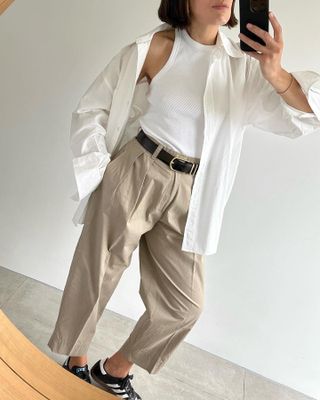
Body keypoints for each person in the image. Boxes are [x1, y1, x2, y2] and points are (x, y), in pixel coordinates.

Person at [47, 1, 320, 399]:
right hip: (138, 170)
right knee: (97, 274)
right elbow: (94, 106)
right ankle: (74, 363)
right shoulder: (156, 47)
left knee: (184, 305)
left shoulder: (243, 65)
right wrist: (101, 169)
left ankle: (113, 371)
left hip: (194, 190)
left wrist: (275, 73)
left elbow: (304, 116)